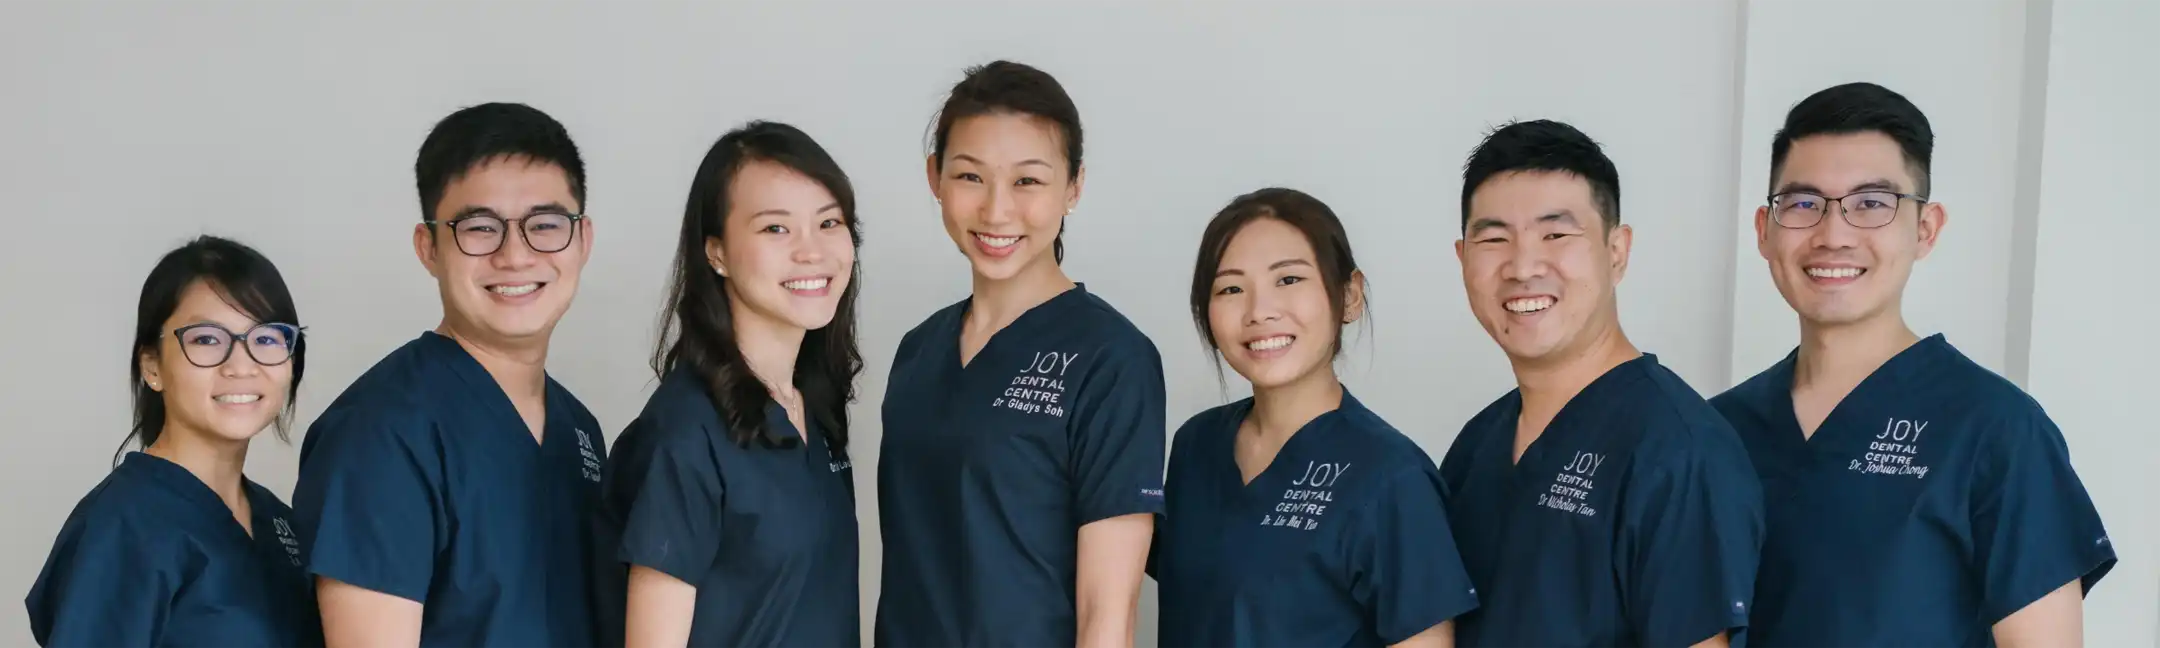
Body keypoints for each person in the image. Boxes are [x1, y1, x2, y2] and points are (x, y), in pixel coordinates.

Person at [1711, 82, 2115, 648]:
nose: (1834, 234)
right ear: (1764, 230)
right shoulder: (1715, 431)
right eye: (1803, 204)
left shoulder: (1996, 430)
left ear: (1925, 230)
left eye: (1871, 204)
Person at [292, 102, 608, 648]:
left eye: (546, 225)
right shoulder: (382, 432)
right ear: (428, 248)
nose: (515, 254)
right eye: (480, 228)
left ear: (582, 241)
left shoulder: (579, 428)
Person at [1439, 119, 1764, 648]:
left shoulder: (1677, 453)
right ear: (1463, 259)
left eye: (1556, 234)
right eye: (1495, 238)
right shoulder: (1478, 445)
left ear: (1617, 251)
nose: (1523, 266)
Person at [877, 59, 1165, 648]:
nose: (996, 211)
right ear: (934, 177)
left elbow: (1107, 615)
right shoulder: (918, 351)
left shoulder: (1112, 359)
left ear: (1074, 185)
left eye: (1028, 181)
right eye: (970, 177)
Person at [1152, 188, 1478, 647]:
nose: (1259, 311)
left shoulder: (1391, 478)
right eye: (1230, 288)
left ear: (1349, 296)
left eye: (1288, 280)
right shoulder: (1195, 446)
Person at [595, 120, 863, 648]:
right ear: (716, 251)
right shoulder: (686, 432)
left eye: (829, 223)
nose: (812, 251)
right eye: (775, 229)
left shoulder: (814, 407)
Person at [26, 235, 318, 648]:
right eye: (206, 339)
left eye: (266, 338)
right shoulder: (126, 525)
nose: (242, 365)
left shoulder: (279, 522)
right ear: (152, 367)